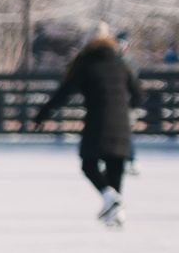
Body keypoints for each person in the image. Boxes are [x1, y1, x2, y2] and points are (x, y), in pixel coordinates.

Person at [31, 23, 143, 228]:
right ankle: (117, 212)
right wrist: (126, 109)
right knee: (115, 166)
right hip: (121, 122)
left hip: (98, 122)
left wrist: (42, 114)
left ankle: (111, 200)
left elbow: (64, 93)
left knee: (88, 164)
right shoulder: (122, 64)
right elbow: (138, 95)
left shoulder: (85, 65)